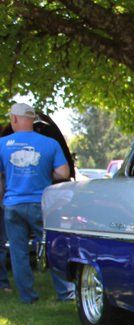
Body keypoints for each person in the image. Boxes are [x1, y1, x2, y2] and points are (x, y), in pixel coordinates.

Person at [1, 103, 74, 303]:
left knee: (19, 253)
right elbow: (63, 173)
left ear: (14, 119)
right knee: (52, 247)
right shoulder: (50, 143)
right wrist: (44, 173)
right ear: (32, 120)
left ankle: (28, 296)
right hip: (41, 204)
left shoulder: (2, 144)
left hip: (12, 205)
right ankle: (65, 292)